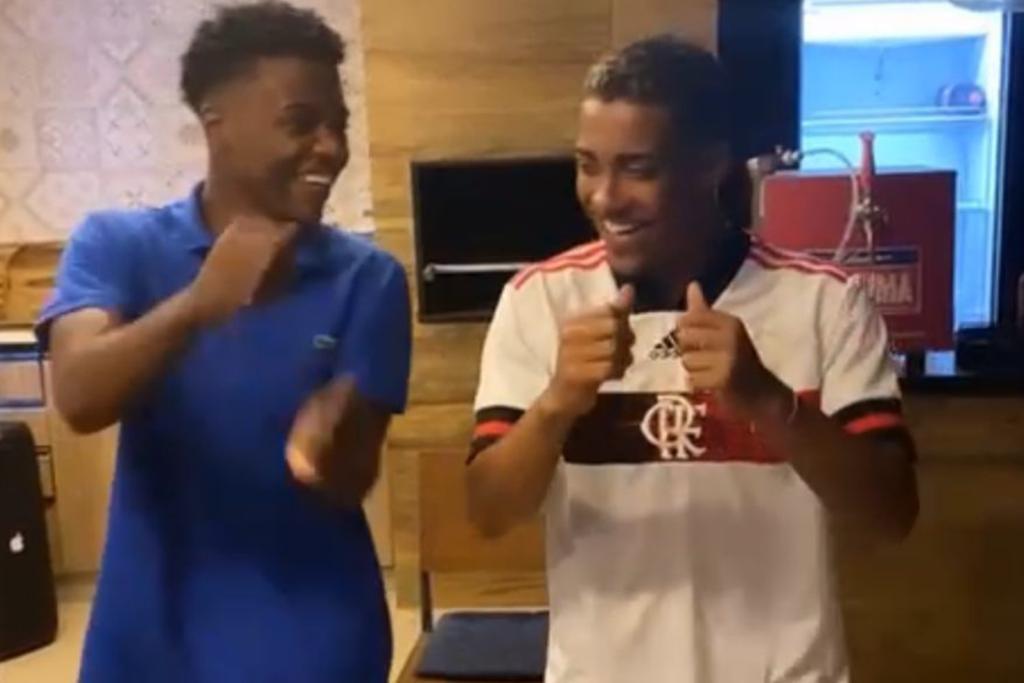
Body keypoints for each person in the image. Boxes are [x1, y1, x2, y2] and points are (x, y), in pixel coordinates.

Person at [466, 35, 918, 683]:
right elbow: (488, 513)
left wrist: (769, 402)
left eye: (637, 168)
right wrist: (557, 405)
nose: (604, 197)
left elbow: (890, 513)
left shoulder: (826, 302)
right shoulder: (538, 300)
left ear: (710, 166)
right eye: (588, 165)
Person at [35, 2, 410, 681]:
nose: (331, 147)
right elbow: (79, 397)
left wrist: (331, 443)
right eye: (301, 122)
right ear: (217, 123)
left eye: (339, 124)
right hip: (150, 639)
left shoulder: (369, 278)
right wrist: (200, 304)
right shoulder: (117, 244)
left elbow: (353, 476)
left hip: (313, 639)